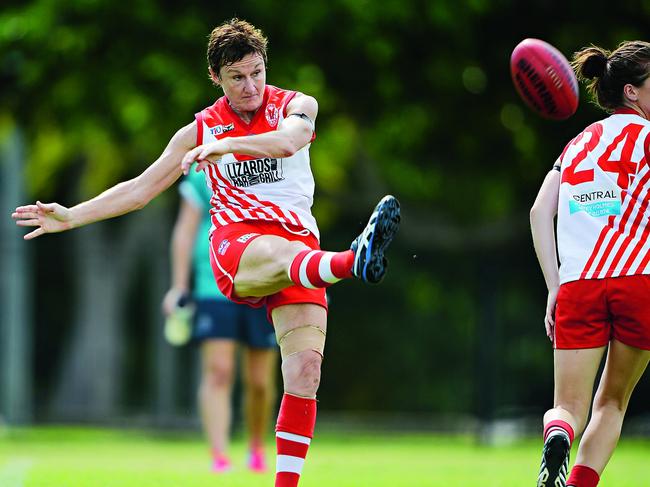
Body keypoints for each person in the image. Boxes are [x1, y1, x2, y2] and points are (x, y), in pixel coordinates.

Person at [12, 18, 400, 487]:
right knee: (278, 262)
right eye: (237, 77)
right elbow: (139, 189)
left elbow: (288, 142)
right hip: (239, 247)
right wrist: (71, 215)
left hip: (300, 247)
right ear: (216, 77)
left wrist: (230, 146)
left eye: (256, 72)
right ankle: (348, 262)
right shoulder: (198, 130)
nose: (251, 85)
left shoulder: (297, 104)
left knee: (305, 371)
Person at [530, 41, 650, 487]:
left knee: (568, 408)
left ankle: (557, 430)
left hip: (578, 285)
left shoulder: (577, 142)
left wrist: (553, 284)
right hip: (640, 281)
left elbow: (540, 211)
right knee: (611, 404)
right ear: (633, 93)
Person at [162, 167, 278, 473]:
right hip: (212, 283)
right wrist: (178, 285)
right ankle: (220, 457)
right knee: (219, 372)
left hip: (263, 280)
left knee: (259, 381)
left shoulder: (272, 162)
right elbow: (185, 230)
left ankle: (256, 447)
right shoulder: (203, 170)